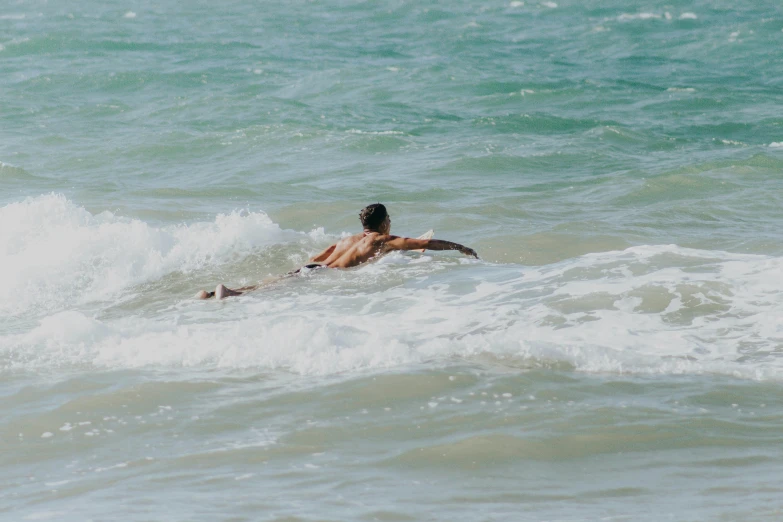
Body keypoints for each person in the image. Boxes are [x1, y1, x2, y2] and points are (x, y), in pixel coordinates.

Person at [197, 203, 478, 299]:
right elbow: (425, 244)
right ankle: (228, 294)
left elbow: (316, 259)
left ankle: (213, 294)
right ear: (384, 222)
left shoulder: (347, 239)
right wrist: (460, 247)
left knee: (265, 287)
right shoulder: (381, 239)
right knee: (267, 293)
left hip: (312, 271)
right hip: (320, 277)